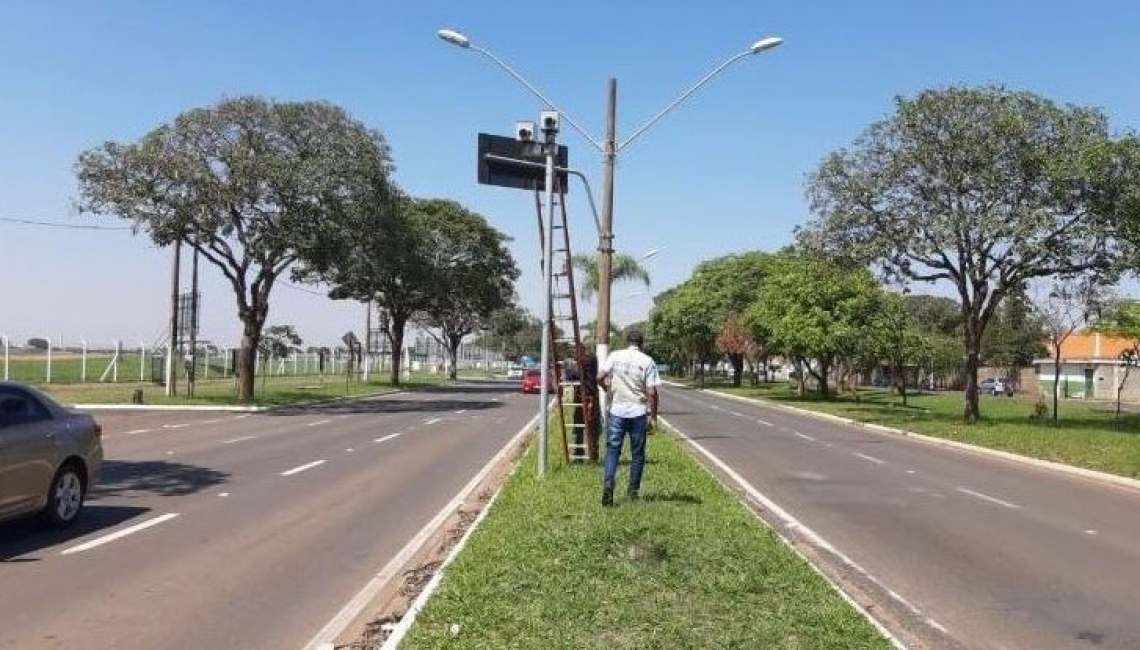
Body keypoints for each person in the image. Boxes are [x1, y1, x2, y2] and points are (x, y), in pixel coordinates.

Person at [597, 329, 661, 506]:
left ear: (626, 342)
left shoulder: (615, 356)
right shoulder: (647, 361)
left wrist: (605, 387)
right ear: (641, 343)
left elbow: (600, 376)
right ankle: (632, 491)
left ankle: (609, 483)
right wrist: (653, 417)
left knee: (612, 450)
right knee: (637, 454)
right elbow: (652, 392)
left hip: (616, 411)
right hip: (638, 413)